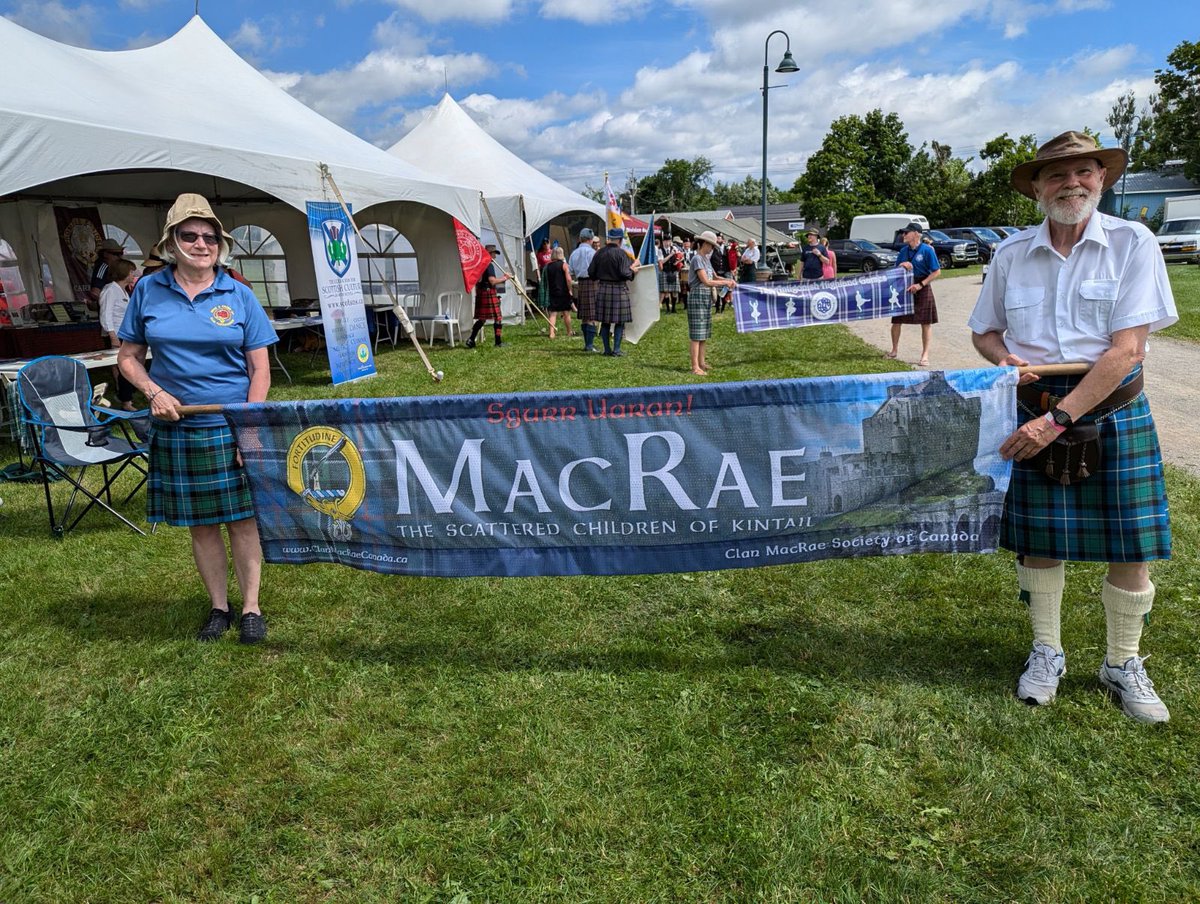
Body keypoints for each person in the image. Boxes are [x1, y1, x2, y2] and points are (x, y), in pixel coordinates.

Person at [967, 130, 1177, 723]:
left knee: (1131, 545)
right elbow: (984, 330)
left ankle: (1122, 662)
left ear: (1102, 179)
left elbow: (1127, 351)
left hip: (1108, 405)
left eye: (1084, 172)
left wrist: (1058, 420)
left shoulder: (1133, 243)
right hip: (1034, 402)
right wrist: (1001, 356)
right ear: (1036, 188)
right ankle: (1046, 651)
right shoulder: (1010, 255)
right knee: (1040, 543)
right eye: (1056, 175)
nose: (1072, 184)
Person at [117, 193, 277, 644]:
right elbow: (128, 358)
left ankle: (250, 607)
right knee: (203, 525)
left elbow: (259, 369)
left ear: (220, 244)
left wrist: (249, 426)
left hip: (229, 423)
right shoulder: (148, 290)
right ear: (172, 241)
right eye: (190, 235)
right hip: (177, 426)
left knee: (243, 521)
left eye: (210, 236)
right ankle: (218, 607)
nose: (201, 243)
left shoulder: (239, 294)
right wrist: (153, 390)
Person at [687, 231, 737, 375]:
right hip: (697, 297)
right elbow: (706, 281)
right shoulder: (697, 259)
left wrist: (729, 280)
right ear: (705, 243)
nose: (713, 249)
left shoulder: (706, 259)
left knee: (704, 332)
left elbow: (714, 276)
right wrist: (725, 282)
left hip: (705, 297)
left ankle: (702, 363)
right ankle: (695, 367)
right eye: (712, 246)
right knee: (696, 334)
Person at [890, 222, 940, 367]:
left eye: (907, 232)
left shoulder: (927, 250)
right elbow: (895, 270)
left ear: (916, 234)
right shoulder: (903, 251)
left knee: (926, 322)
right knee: (896, 320)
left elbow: (936, 271)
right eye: (903, 233)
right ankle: (894, 350)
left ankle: (925, 355)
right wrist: (901, 266)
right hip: (905, 286)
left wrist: (920, 285)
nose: (903, 235)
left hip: (922, 285)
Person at [587, 227, 640, 357]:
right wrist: (633, 271)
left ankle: (606, 350)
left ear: (609, 238)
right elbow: (624, 272)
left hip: (603, 288)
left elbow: (591, 273)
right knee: (619, 322)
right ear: (620, 240)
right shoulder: (621, 254)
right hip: (618, 289)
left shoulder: (599, 253)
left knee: (605, 321)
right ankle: (616, 350)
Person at [98, 258, 139, 410]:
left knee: (128, 366)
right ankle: (126, 401)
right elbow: (106, 314)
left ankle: (127, 397)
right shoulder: (110, 289)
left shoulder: (123, 290)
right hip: (116, 334)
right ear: (124, 273)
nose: (133, 274)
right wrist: (112, 335)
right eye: (131, 272)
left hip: (125, 333)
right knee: (124, 367)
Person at [466, 244, 509, 348]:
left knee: (482, 319)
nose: (495, 256)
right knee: (498, 317)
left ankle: (471, 339)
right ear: (489, 254)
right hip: (488, 292)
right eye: (494, 253)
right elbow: (492, 281)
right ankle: (498, 342)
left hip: (481, 291)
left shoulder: (480, 264)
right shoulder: (488, 264)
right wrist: (505, 278)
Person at [569, 227, 599, 352]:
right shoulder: (593, 253)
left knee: (585, 316)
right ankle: (589, 345)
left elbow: (570, 271)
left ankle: (587, 344)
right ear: (591, 240)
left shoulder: (574, 253)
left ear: (580, 239)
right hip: (592, 283)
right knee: (592, 315)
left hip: (581, 283)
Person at [88, 237, 126, 310]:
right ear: (105, 254)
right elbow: (95, 292)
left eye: (121, 253)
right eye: (115, 254)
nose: (119, 257)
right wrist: (112, 304)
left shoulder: (112, 268)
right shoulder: (103, 267)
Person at [545, 246, 574, 339]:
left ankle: (552, 332)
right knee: (566, 313)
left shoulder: (548, 266)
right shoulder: (564, 265)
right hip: (563, 292)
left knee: (553, 313)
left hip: (552, 291)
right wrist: (570, 289)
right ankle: (569, 331)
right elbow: (568, 279)